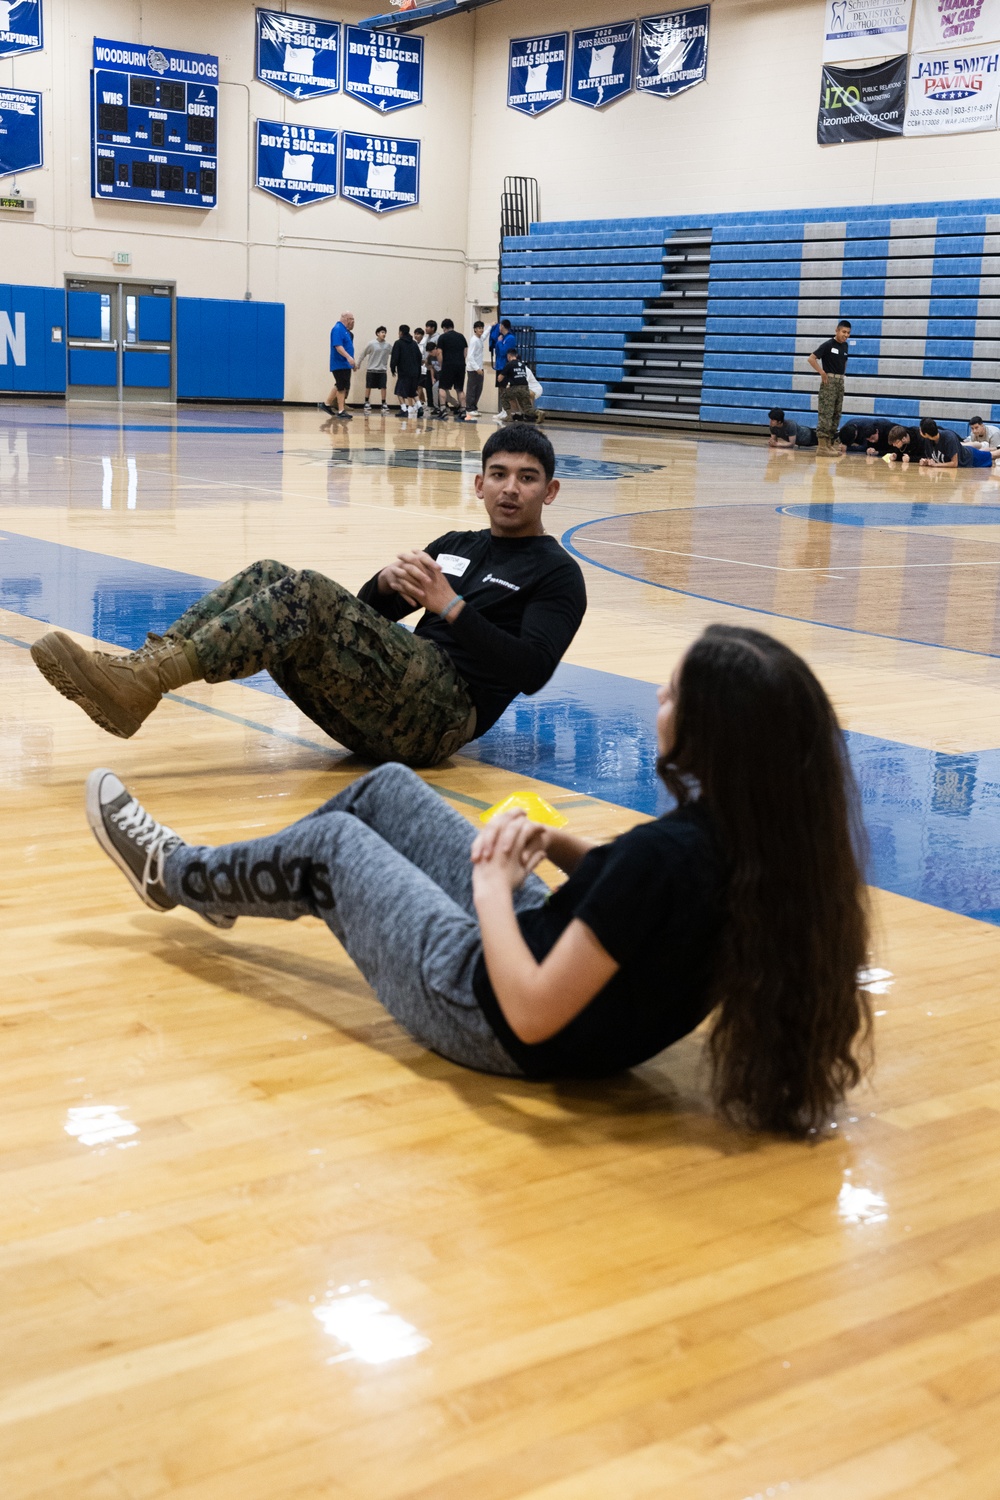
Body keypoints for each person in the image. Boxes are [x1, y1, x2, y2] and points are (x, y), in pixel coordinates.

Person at [84, 623, 872, 1137]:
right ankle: (226, 884)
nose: (658, 702)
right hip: (560, 989)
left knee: (328, 848)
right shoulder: (766, 847)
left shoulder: (669, 859)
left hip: (487, 1008)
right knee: (387, 788)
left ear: (711, 733)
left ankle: (174, 874)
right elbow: (635, 906)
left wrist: (495, 886)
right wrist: (554, 840)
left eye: (671, 693)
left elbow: (530, 1013)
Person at [30, 426, 587, 767]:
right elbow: (367, 619)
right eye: (499, 474)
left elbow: (532, 671)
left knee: (310, 590)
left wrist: (451, 608)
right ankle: (142, 675)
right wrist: (384, 586)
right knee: (271, 572)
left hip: (441, 716)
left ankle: (142, 684)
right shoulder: (456, 544)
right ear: (479, 483)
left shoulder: (557, 574)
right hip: (392, 698)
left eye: (527, 477)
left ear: (550, 490)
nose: (511, 488)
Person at [807, 319, 851, 454]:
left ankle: (829, 444)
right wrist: (822, 372)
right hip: (829, 382)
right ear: (837, 330)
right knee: (826, 412)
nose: (846, 335)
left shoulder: (845, 346)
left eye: (848, 333)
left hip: (839, 382)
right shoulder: (828, 344)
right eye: (844, 332)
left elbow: (844, 362)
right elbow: (811, 358)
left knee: (836, 413)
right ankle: (822, 446)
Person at [918, 418, 994, 469]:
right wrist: (926, 461)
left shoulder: (948, 437)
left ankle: (996, 447)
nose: (919, 431)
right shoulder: (927, 440)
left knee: (993, 455)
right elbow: (932, 458)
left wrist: (936, 465)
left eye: (920, 429)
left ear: (926, 433)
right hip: (965, 457)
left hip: (970, 458)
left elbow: (954, 463)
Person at [324, 311, 357, 421]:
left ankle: (326, 404)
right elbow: (338, 346)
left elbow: (348, 347)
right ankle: (341, 410)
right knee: (341, 386)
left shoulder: (345, 331)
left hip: (345, 364)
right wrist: (348, 358)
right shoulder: (338, 329)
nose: (353, 321)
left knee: (340, 384)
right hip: (339, 363)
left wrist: (352, 362)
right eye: (351, 319)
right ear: (346, 319)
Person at [436, 318, 468, 418]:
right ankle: (463, 410)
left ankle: (442, 409)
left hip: (447, 365)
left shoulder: (442, 337)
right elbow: (465, 351)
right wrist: (461, 361)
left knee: (442, 387)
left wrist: (441, 364)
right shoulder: (461, 336)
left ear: (444, 328)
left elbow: (439, 352)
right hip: (460, 365)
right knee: (459, 389)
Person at [390, 323, 422, 417]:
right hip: (415, 372)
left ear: (400, 332)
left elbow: (394, 358)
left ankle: (404, 409)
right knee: (412, 390)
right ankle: (420, 406)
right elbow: (419, 357)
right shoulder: (414, 343)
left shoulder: (398, 343)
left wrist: (392, 368)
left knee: (399, 390)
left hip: (404, 372)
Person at [497, 347, 537, 423]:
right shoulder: (522, 365)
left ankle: (509, 416)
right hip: (525, 388)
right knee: (526, 408)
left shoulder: (509, 364)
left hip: (516, 388)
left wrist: (499, 377)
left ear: (509, 356)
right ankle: (538, 412)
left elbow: (500, 378)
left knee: (503, 396)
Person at [359, 326, 390, 412]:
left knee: (383, 387)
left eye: (384, 332)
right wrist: (358, 364)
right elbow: (363, 354)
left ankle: (383, 403)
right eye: (382, 332)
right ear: (377, 334)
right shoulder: (371, 344)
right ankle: (366, 402)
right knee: (368, 386)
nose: (384, 334)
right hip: (371, 369)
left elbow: (395, 354)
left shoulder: (388, 345)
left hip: (382, 370)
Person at [465, 320, 486, 421]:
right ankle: (469, 408)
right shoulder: (474, 340)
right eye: (479, 328)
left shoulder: (480, 338)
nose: (481, 330)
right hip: (473, 369)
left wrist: (491, 327)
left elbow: (485, 335)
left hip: (479, 368)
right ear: (475, 329)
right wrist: (477, 368)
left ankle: (474, 407)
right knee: (472, 389)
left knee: (479, 389)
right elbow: (470, 356)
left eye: (482, 328)